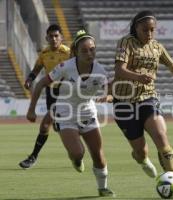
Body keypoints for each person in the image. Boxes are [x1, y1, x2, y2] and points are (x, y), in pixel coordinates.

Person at [112, 10, 173, 196]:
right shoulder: (126, 42)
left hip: (148, 99)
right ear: (136, 27)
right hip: (123, 104)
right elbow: (119, 70)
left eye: (152, 30)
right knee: (140, 152)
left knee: (162, 138)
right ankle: (141, 159)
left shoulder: (157, 47)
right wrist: (139, 76)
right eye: (145, 30)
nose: (149, 34)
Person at [25, 30, 115, 197]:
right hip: (65, 112)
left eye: (92, 49)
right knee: (78, 152)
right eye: (84, 50)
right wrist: (31, 110)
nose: (89, 53)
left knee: (98, 154)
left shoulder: (101, 71)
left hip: (88, 113)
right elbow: (40, 85)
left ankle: (103, 188)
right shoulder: (65, 67)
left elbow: (110, 92)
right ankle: (76, 159)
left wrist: (108, 96)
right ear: (75, 52)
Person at [19, 24, 70, 169]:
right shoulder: (44, 53)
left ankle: (33, 157)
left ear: (61, 37)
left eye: (56, 36)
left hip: (66, 92)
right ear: (46, 37)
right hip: (51, 93)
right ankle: (77, 154)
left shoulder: (69, 53)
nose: (54, 39)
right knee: (56, 126)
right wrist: (29, 79)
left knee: (46, 125)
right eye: (51, 36)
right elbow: (36, 69)